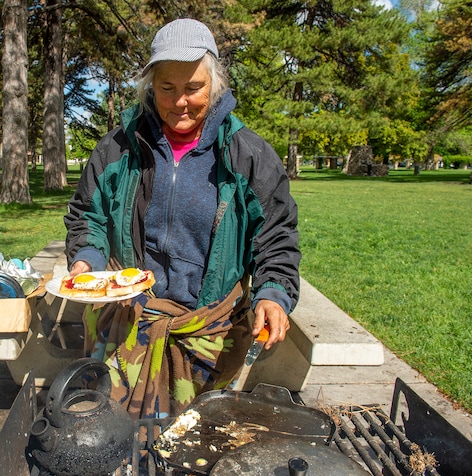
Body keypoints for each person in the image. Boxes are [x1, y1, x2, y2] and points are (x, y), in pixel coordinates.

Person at [63, 18, 301, 419]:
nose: (179, 103)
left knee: (193, 438)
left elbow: (275, 236)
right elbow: (89, 215)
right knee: (112, 429)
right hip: (128, 323)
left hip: (209, 331)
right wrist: (88, 260)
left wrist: (274, 293)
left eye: (193, 88)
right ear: (150, 88)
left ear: (216, 84)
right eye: (166, 89)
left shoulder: (250, 156)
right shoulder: (117, 148)